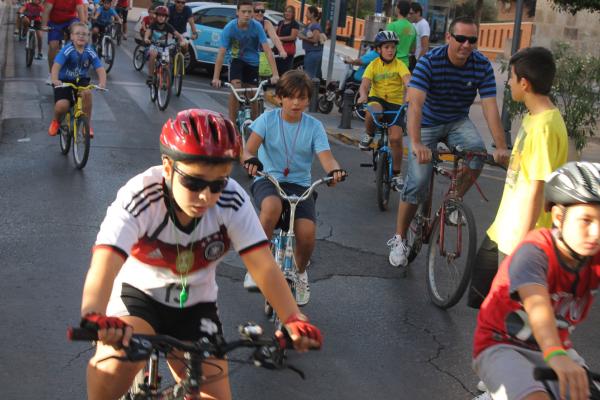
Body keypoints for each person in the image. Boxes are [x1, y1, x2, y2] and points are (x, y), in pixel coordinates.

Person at [78, 108, 323, 400]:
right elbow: (104, 263)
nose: (206, 196)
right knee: (113, 367)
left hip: (195, 305)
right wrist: (94, 315)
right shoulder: (141, 195)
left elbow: (263, 266)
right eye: (193, 183)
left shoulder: (232, 200)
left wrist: (293, 317)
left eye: (217, 183)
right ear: (168, 167)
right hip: (138, 297)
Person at [387, 16, 511, 268]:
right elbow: (415, 106)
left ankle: (452, 200)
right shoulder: (429, 62)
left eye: (472, 40)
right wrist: (418, 143)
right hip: (427, 123)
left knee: (476, 155)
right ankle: (399, 238)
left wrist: (500, 146)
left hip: (457, 121)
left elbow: (489, 108)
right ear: (448, 38)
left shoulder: (481, 65)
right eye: (461, 39)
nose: (466, 45)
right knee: (418, 181)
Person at [472, 161, 600, 400]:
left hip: (555, 348)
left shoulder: (593, 254)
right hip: (501, 345)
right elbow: (537, 305)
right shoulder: (534, 252)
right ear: (559, 217)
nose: (596, 233)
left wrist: (556, 352)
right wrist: (555, 353)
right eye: (587, 221)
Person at [467, 47, 568, 309]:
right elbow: (528, 168)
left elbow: (537, 189)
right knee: (480, 297)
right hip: (503, 228)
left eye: (511, 77)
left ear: (525, 83)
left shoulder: (544, 128)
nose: (509, 82)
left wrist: (522, 246)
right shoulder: (534, 118)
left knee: (507, 313)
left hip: (519, 236)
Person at [242, 70, 347, 305]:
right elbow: (248, 150)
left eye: (301, 97)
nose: (296, 102)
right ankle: (256, 267)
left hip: (301, 186)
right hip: (268, 179)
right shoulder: (267, 120)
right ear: (279, 98)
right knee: (271, 208)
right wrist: (250, 160)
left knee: (307, 235)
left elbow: (327, 158)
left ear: (308, 99)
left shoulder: (314, 127)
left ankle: (299, 274)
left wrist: (334, 171)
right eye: (290, 97)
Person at [357, 31, 411, 192]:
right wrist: (363, 96)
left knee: (396, 138)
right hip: (378, 99)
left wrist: (410, 95)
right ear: (379, 49)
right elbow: (365, 84)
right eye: (386, 47)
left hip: (395, 104)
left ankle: (396, 174)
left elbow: (409, 82)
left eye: (393, 47)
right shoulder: (373, 65)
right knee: (373, 111)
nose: (390, 50)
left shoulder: (400, 65)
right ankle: (369, 134)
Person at [211, 0, 279, 122]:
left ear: (252, 13)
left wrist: (275, 74)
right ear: (237, 12)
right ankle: (232, 123)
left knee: (253, 94)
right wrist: (216, 78)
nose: (246, 15)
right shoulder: (230, 28)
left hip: (253, 62)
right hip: (236, 60)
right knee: (236, 88)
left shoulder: (257, 26)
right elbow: (221, 53)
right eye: (243, 12)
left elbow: (268, 51)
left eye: (249, 12)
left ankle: (254, 127)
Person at [47, 22, 106, 138]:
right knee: (62, 106)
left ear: (88, 37)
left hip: (81, 79)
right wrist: (54, 79)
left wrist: (102, 82)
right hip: (64, 80)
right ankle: (56, 121)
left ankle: (86, 125)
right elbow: (56, 66)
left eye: (84, 34)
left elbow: (99, 68)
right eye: (77, 33)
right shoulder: (67, 50)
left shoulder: (89, 51)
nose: (81, 36)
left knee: (87, 94)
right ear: (71, 37)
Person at [41, 0, 86, 83]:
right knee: (53, 46)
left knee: (76, 28)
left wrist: (82, 26)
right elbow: (47, 9)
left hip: (70, 21)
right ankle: (51, 74)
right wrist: (44, 25)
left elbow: (80, 9)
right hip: (55, 22)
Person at [143, 6, 184, 84]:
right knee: (153, 54)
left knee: (167, 61)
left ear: (166, 17)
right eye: (159, 15)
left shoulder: (168, 26)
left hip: (164, 48)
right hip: (154, 46)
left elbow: (177, 34)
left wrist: (182, 40)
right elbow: (148, 32)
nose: (161, 18)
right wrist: (146, 38)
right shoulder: (153, 24)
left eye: (163, 16)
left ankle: (164, 80)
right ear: (156, 16)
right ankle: (150, 76)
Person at [252, 2, 286, 79]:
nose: (260, 13)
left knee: (264, 82)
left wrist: (281, 50)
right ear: (252, 12)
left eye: (262, 11)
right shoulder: (248, 22)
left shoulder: (266, 23)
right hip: (248, 56)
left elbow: (274, 38)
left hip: (262, 57)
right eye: (257, 11)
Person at [386, 0, 416, 68]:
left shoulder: (392, 26)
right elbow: (413, 49)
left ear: (398, 9)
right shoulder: (413, 28)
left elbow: (386, 46)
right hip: (405, 64)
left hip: (392, 63)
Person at [297, 5, 323, 80]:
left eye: (307, 12)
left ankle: (310, 90)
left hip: (313, 53)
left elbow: (315, 40)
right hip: (309, 52)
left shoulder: (315, 26)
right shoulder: (309, 25)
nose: (306, 14)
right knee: (308, 74)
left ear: (312, 14)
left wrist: (303, 37)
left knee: (309, 76)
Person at [274, 5, 299, 75]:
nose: (287, 13)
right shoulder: (280, 22)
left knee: (285, 72)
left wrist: (279, 38)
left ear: (293, 14)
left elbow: (293, 37)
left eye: (290, 12)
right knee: (276, 70)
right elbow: (275, 33)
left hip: (287, 51)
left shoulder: (295, 24)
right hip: (278, 49)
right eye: (286, 11)